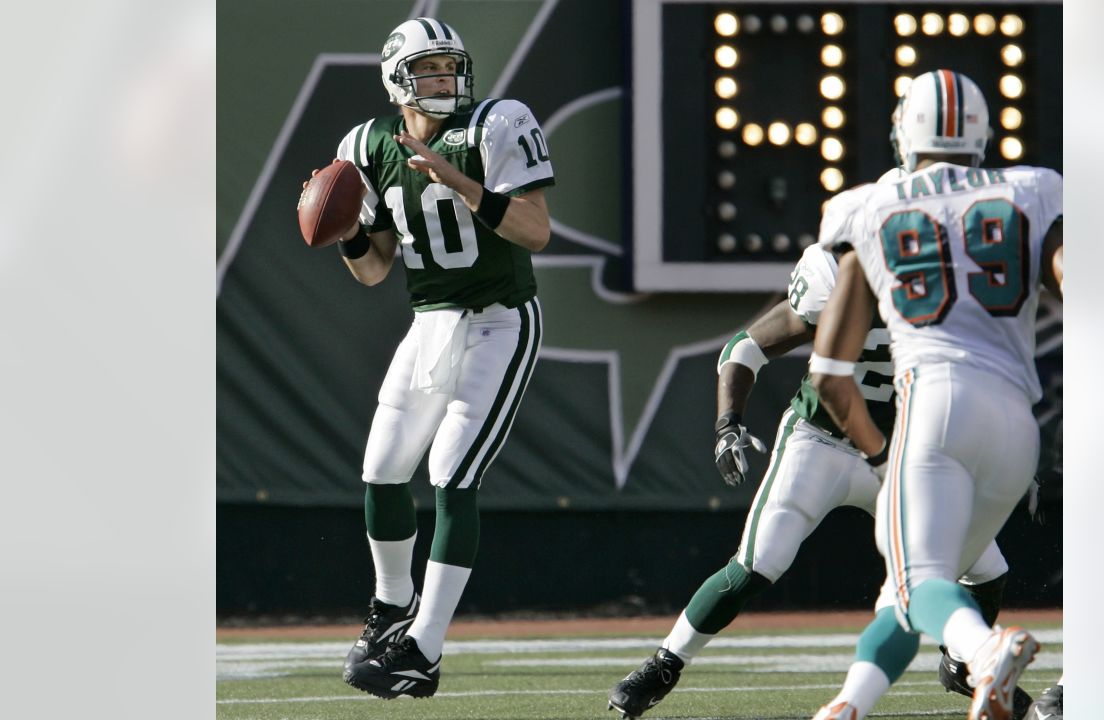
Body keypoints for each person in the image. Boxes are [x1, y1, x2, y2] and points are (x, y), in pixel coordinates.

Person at [607, 211, 1029, 718]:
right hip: (822, 442)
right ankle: (664, 663)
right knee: (759, 562)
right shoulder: (837, 276)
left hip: (901, 453)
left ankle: (961, 665)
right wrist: (728, 423)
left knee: (985, 568)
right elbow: (747, 348)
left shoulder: (958, 295)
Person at [300, 16, 554, 700]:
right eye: (430, 71)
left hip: (501, 319)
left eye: (451, 68)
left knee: (451, 474)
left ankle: (424, 648)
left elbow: (535, 230)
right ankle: (390, 609)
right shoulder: (367, 145)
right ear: (397, 83)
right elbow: (376, 271)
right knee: (381, 470)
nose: (447, 81)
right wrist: (350, 232)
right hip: (431, 322)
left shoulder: (497, 123)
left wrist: (459, 180)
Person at [807, 69, 1062, 720]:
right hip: (1016, 425)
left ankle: (985, 650)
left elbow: (829, 375)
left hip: (936, 405)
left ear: (905, 131)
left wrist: (877, 458)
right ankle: (849, 706)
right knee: (908, 586)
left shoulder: (869, 206)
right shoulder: (1033, 191)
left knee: (920, 579)